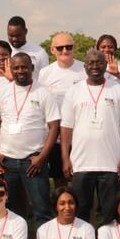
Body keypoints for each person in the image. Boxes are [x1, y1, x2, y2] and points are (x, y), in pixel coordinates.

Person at [0, 53, 59, 227]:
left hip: (33, 162)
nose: (20, 71)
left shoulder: (43, 92)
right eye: (16, 67)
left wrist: (42, 157)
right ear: (11, 69)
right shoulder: (2, 93)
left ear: (32, 68)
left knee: (41, 208)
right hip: (6, 161)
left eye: (24, 67)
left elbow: (54, 127)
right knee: (9, 208)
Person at [60, 49, 120, 226]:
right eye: (91, 63)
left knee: (110, 211)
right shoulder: (74, 91)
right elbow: (66, 128)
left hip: (111, 162)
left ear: (106, 65)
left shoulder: (118, 90)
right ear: (84, 66)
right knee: (82, 210)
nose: (95, 66)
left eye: (99, 62)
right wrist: (65, 158)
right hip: (80, 162)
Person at [39, 32, 86, 189]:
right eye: (60, 48)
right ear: (52, 50)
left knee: (81, 180)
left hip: (80, 135)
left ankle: (84, 214)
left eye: (69, 47)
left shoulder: (84, 70)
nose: (65, 51)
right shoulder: (45, 73)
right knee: (60, 179)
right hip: (55, 137)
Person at [6, 16, 49, 81]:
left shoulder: (40, 52)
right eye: (11, 36)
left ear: (25, 31)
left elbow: (46, 79)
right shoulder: (2, 53)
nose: (14, 39)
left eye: (18, 35)